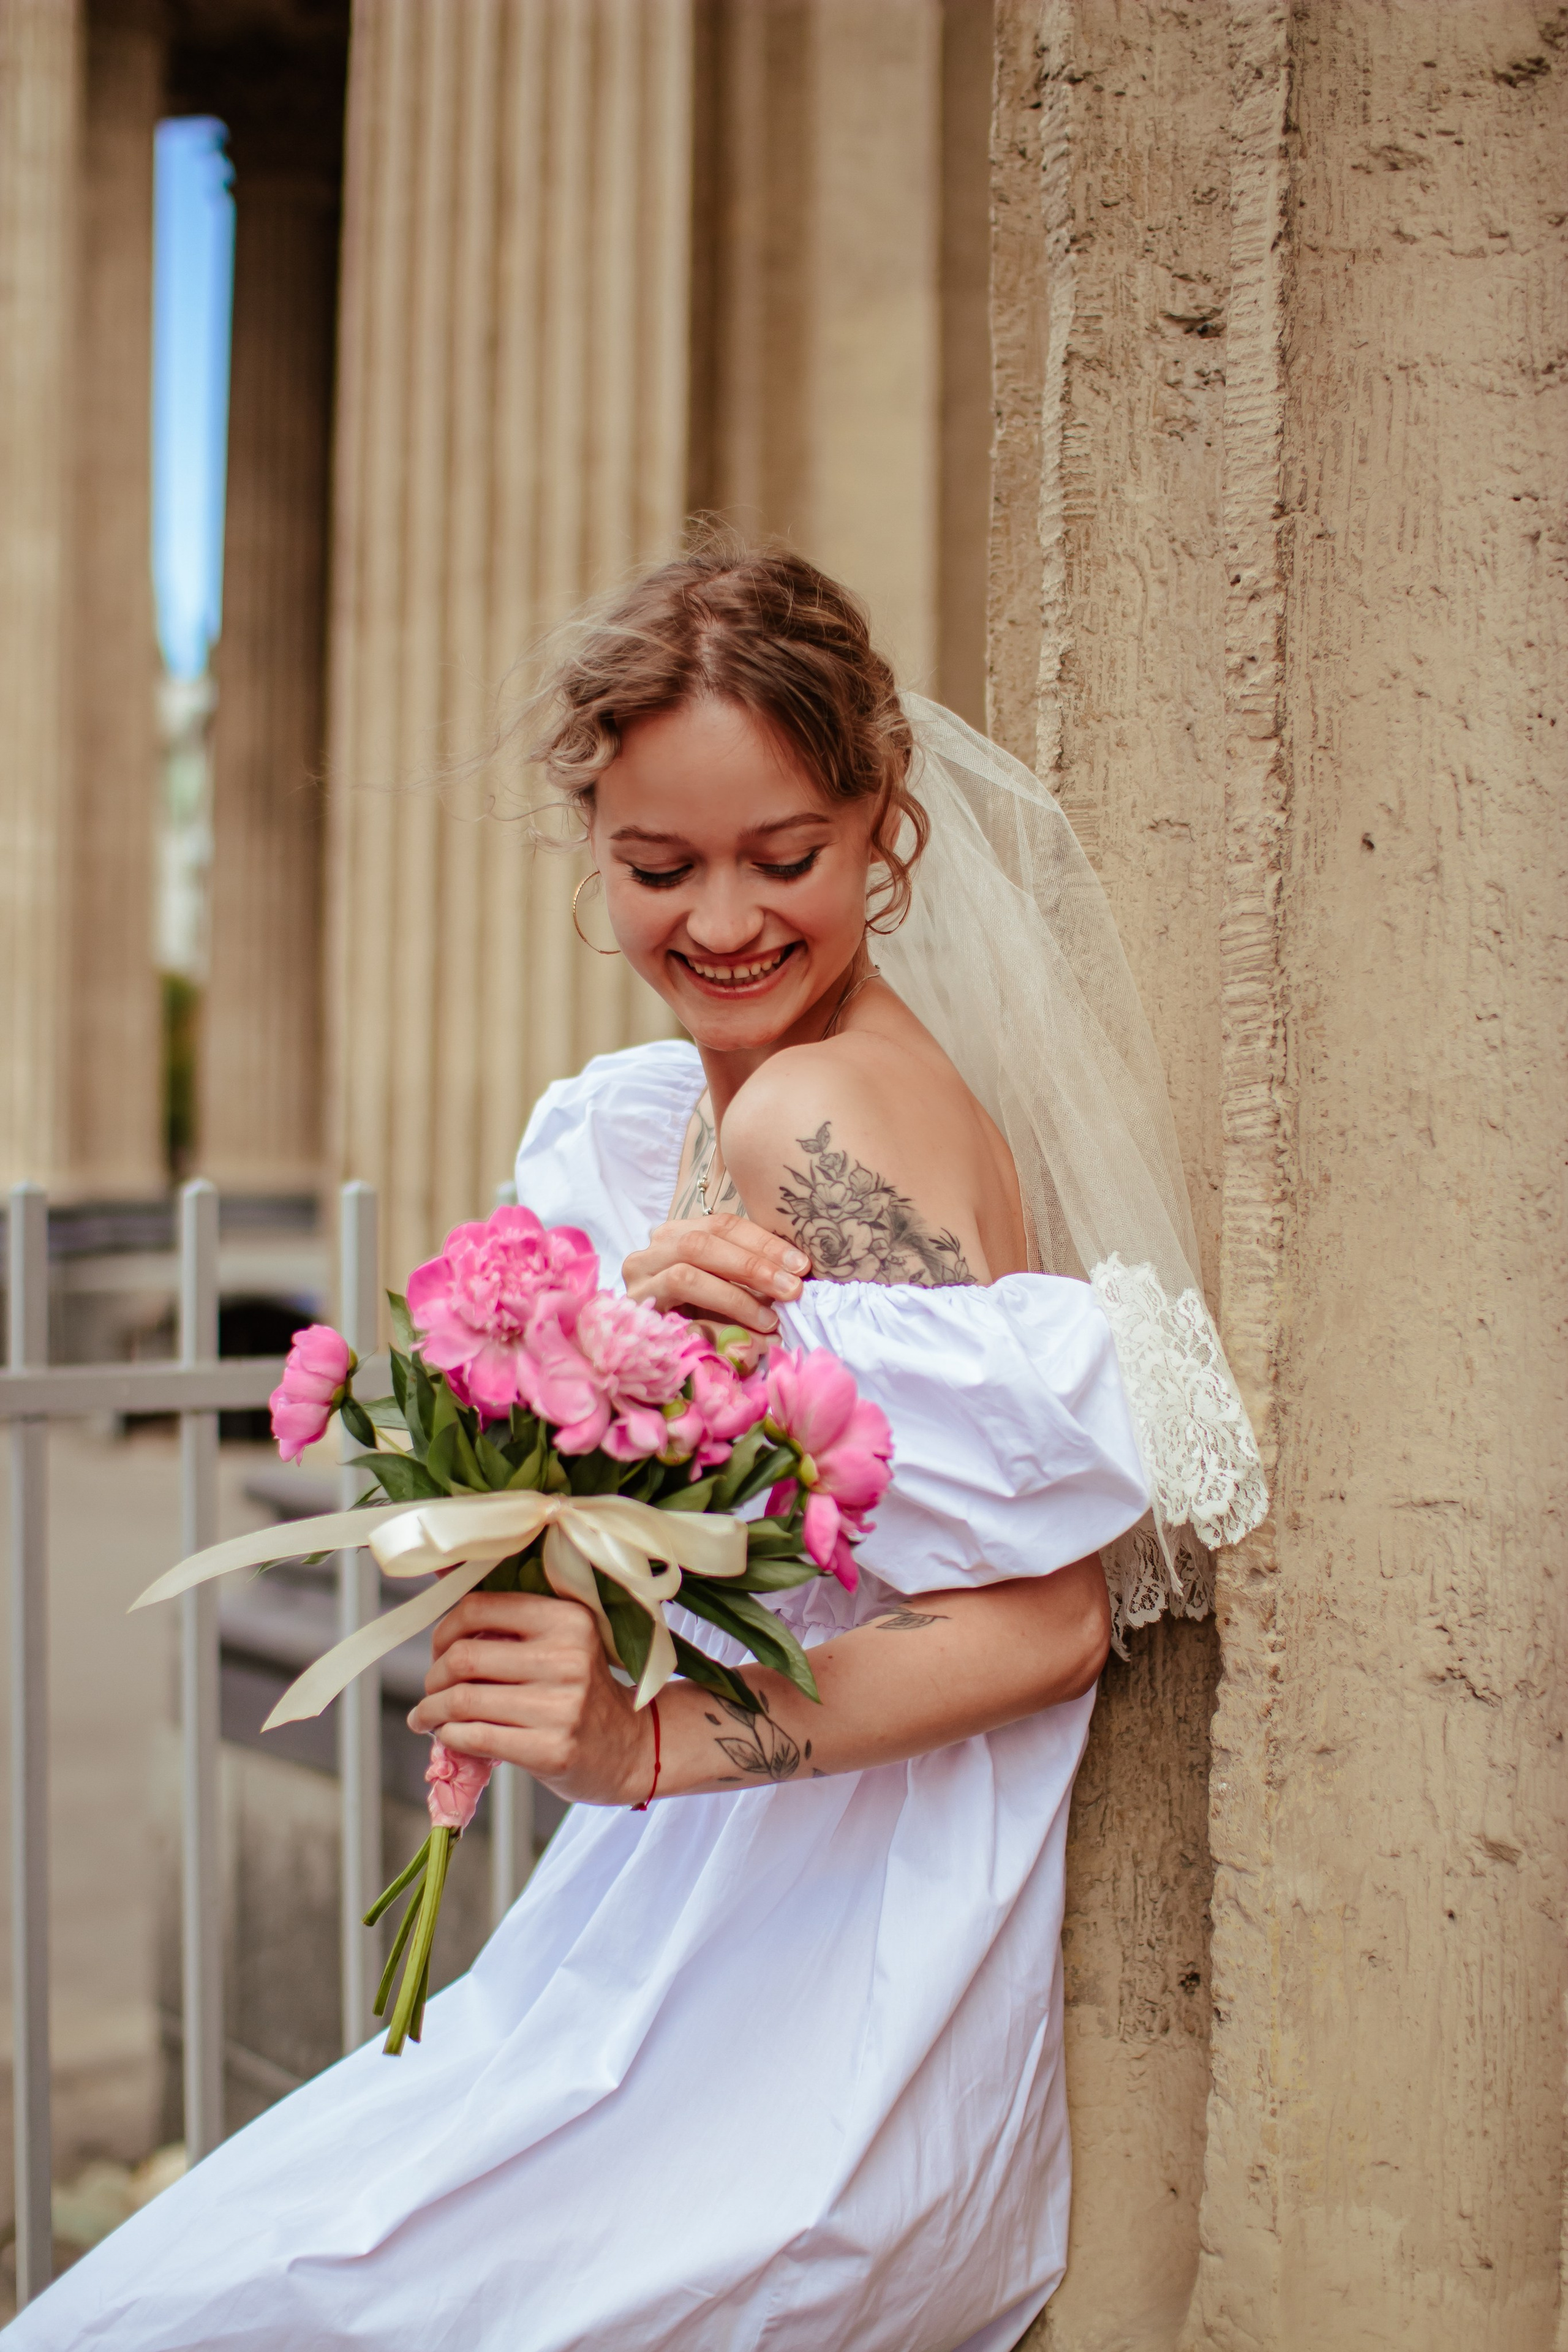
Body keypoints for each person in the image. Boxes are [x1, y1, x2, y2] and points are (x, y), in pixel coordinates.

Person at [6, 544, 1262, 2351]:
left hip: (799, 2025)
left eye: (789, 857)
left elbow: (1046, 1622)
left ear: (883, 828)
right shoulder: (687, 1114)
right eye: (660, 866)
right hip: (699, 1951)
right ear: (590, 845)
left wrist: (642, 1738)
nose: (726, 920)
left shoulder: (823, 1119)